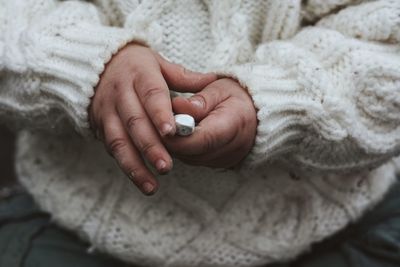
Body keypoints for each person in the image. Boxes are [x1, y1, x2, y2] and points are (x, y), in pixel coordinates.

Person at [0, 0, 399, 266]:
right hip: (72, 230)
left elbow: (388, 46)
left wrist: (278, 101)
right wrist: (88, 67)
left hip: (335, 230)